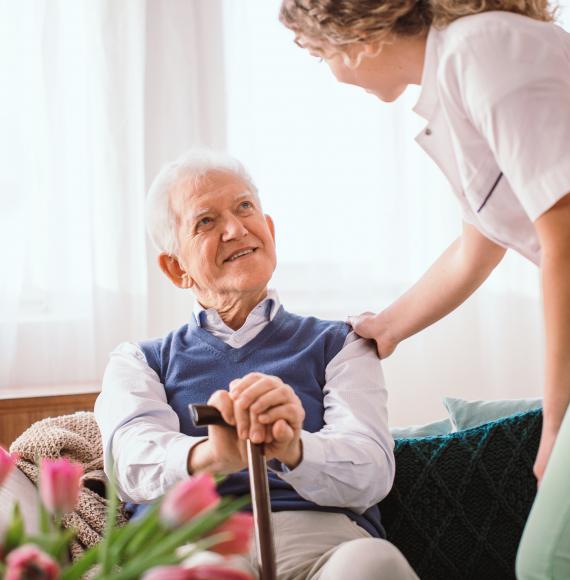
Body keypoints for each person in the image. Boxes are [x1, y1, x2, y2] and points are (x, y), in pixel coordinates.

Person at [278, 1, 570, 578]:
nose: (333, 75)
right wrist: (387, 327)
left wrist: (555, 421)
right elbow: (475, 246)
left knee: (546, 560)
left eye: (321, 56)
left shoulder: (479, 51)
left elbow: (563, 241)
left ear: (355, 37)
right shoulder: (456, 78)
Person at [94, 149, 417, 580]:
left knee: (374, 564)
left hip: (323, 542)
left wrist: (292, 448)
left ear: (269, 230)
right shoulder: (139, 362)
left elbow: (372, 470)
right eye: (205, 221)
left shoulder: (342, 343)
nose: (235, 229)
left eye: (245, 207)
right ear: (176, 269)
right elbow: (130, 464)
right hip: (194, 543)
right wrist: (211, 455)